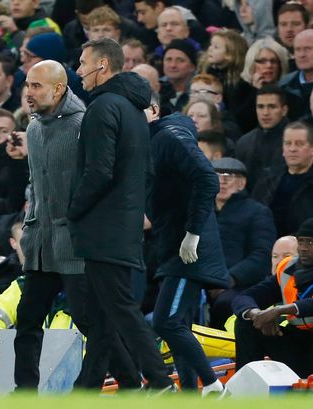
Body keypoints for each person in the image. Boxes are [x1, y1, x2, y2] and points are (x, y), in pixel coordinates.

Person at [15, 59, 137, 391]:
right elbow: (35, 185)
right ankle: (23, 391)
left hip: (76, 245)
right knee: (26, 319)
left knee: (89, 322)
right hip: (40, 245)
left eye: (36, 86)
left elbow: (104, 179)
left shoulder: (85, 125)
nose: (29, 92)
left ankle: (129, 382)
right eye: (27, 85)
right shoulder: (34, 129)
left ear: (59, 88)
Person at [68, 38, 173, 392]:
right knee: (99, 318)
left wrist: (74, 208)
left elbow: (98, 171)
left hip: (103, 228)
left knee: (121, 310)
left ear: (102, 66)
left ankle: (159, 381)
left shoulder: (103, 108)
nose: (78, 71)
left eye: (83, 63)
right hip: (123, 224)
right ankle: (104, 389)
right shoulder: (131, 109)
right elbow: (146, 172)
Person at [146, 99, 229, 395]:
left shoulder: (170, 136)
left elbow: (208, 178)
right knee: (179, 325)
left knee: (167, 322)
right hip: (173, 244)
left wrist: (192, 232)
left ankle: (213, 387)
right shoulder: (154, 138)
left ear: (154, 110)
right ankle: (192, 395)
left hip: (188, 249)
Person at [231, 217, 313, 378]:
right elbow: (246, 296)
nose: (303, 248)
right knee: (246, 323)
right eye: (300, 241)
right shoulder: (288, 268)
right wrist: (258, 315)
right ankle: (246, 386)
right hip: (298, 342)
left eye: (310, 243)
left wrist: (279, 311)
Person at [209, 157, 276, 330]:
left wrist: (230, 278)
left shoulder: (257, 212)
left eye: (229, 176)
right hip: (201, 279)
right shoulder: (200, 210)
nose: (222, 181)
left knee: (226, 303)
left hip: (240, 283)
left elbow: (261, 255)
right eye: (217, 174)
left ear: (242, 183)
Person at [252, 121, 313, 237]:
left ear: (312, 149)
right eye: (288, 143)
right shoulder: (267, 179)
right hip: (267, 244)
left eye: (299, 144)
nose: (292, 149)